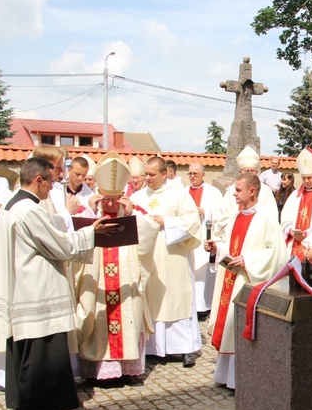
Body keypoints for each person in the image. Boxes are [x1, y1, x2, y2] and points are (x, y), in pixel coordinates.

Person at [0, 157, 118, 410]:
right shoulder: (30, 210)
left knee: (27, 349)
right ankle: (38, 409)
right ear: (38, 180)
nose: (52, 188)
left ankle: (22, 401)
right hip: (38, 287)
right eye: (50, 183)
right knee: (41, 352)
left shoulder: (11, 205)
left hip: (22, 284)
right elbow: (61, 247)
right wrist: (91, 233)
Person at [73, 153, 161, 382]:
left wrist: (132, 214)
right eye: (106, 199)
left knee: (127, 314)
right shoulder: (89, 211)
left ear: (122, 195)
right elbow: (73, 238)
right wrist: (91, 212)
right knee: (98, 315)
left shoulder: (133, 211)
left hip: (125, 278)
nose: (110, 204)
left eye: (115, 199)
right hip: (98, 275)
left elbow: (150, 231)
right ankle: (100, 369)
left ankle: (126, 367)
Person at [205, 173, 287, 390]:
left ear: (252, 191)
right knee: (229, 323)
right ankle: (226, 376)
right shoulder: (236, 217)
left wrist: (248, 260)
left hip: (248, 280)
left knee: (238, 324)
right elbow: (232, 247)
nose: (234, 193)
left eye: (238, 190)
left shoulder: (267, 218)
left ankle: (239, 379)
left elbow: (278, 253)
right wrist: (217, 248)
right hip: (231, 279)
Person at [131, 156, 203, 367]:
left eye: (152, 174)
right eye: (146, 174)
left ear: (164, 174)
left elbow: (192, 222)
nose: (148, 178)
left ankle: (185, 348)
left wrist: (167, 223)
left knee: (177, 299)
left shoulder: (179, 194)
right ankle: (151, 348)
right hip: (148, 258)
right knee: (151, 300)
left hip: (173, 259)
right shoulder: (137, 196)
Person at [186, 163, 223, 321]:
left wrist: (205, 212)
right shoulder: (182, 192)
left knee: (203, 274)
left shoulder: (213, 192)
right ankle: (189, 305)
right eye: (190, 173)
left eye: (195, 173)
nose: (192, 176)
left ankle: (203, 307)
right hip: (188, 237)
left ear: (203, 175)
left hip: (204, 236)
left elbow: (220, 212)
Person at [215, 146, 279, 235]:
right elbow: (222, 217)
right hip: (234, 234)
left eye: (252, 171)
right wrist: (238, 224)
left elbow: (272, 215)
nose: (249, 173)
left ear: (257, 173)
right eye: (246, 171)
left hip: (257, 235)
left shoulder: (265, 191)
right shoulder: (231, 192)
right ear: (240, 172)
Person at [280, 148, 312, 259]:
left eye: (309, 177)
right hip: (293, 243)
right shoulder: (295, 195)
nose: (306, 181)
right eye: (304, 178)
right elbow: (285, 216)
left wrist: (307, 233)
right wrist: (290, 231)